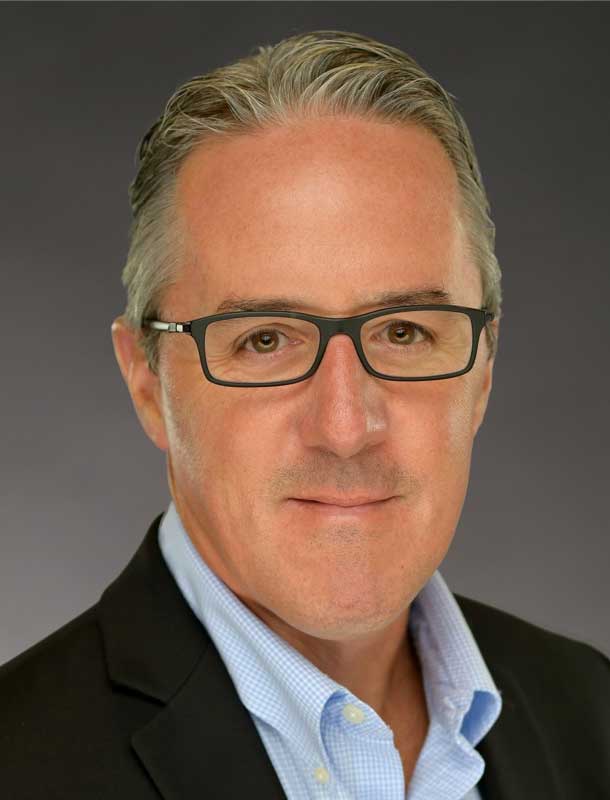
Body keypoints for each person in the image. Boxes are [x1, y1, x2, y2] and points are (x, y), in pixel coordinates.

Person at [1, 29, 608, 800]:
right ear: (147, 382)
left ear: (483, 368)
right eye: (264, 340)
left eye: (403, 332)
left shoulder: (591, 711)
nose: (346, 428)